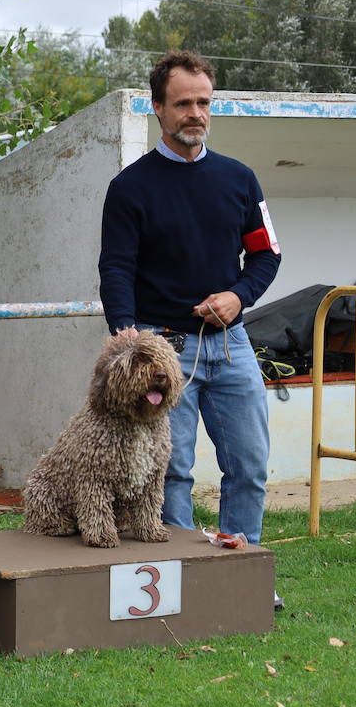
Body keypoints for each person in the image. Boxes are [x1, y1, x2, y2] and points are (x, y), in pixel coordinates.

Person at [98, 50, 281, 590]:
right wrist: (128, 338)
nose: (195, 113)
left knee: (248, 467)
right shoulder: (129, 188)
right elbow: (116, 267)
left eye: (203, 102)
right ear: (158, 108)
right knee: (169, 472)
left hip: (232, 345)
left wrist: (239, 296)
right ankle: (179, 585)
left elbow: (267, 255)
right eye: (182, 104)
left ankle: (243, 580)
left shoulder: (240, 180)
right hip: (162, 351)